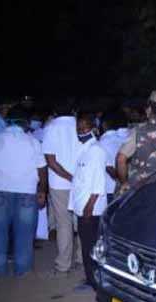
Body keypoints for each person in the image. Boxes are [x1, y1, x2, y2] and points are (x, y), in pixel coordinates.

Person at [42, 104, 91, 275]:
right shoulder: (81, 125)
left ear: (55, 111)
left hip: (59, 183)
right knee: (81, 223)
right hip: (81, 182)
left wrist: (69, 177)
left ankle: (64, 264)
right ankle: (82, 260)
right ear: (74, 110)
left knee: (63, 224)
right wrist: (76, 177)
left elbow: (51, 161)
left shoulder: (51, 127)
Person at [0, 125, 47, 277]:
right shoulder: (32, 141)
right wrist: (42, 191)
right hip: (27, 191)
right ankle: (22, 271)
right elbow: (42, 169)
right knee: (24, 234)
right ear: (24, 125)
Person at [68, 114, 107, 289]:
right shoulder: (83, 149)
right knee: (87, 245)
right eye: (78, 128)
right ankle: (91, 278)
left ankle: (93, 281)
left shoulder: (96, 151)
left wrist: (89, 206)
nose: (81, 131)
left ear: (93, 129)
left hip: (90, 209)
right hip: (81, 205)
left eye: (84, 128)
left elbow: (99, 182)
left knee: (90, 246)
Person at [98, 110, 130, 203]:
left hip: (109, 188)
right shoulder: (126, 136)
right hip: (125, 186)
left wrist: (120, 179)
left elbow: (109, 169)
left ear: (104, 124)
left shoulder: (103, 141)